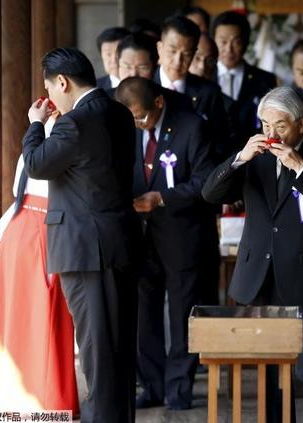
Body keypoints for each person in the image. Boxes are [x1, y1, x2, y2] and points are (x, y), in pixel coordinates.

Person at [202, 86, 303, 423]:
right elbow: (210, 193)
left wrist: (300, 167)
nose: (271, 134)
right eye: (265, 125)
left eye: (279, 127)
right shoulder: (256, 159)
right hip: (261, 276)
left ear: (299, 124)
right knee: (268, 372)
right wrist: (239, 159)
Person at [22, 47, 142, 423]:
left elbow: (37, 165)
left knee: (97, 353)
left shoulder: (75, 122)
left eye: (50, 89)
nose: (51, 98)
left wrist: (36, 124)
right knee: (118, 352)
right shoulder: (120, 113)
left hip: (86, 250)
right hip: (118, 243)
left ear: (62, 82)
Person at [115, 77, 217, 410]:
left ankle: (179, 389)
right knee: (145, 316)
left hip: (182, 235)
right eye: (131, 119)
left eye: (141, 117)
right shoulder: (122, 129)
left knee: (181, 314)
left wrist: (162, 198)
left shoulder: (191, 127)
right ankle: (153, 386)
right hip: (139, 238)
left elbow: (206, 183)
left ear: (159, 103)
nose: (137, 124)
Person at [0, 113, 79, 416]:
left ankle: (8, 391)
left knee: (15, 312)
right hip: (44, 227)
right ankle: (44, 395)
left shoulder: (34, 144)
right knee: (44, 312)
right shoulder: (58, 147)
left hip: (20, 227)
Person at [155, 15, 232, 163]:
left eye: (187, 54)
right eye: (172, 51)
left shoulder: (209, 92)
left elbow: (220, 141)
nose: (178, 61)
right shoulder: (145, 86)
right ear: (160, 48)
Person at [212, 11, 277, 146]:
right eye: (223, 42)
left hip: (253, 156)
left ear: (246, 43)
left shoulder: (264, 80)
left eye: (236, 42)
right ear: (213, 41)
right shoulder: (204, 77)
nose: (229, 49)